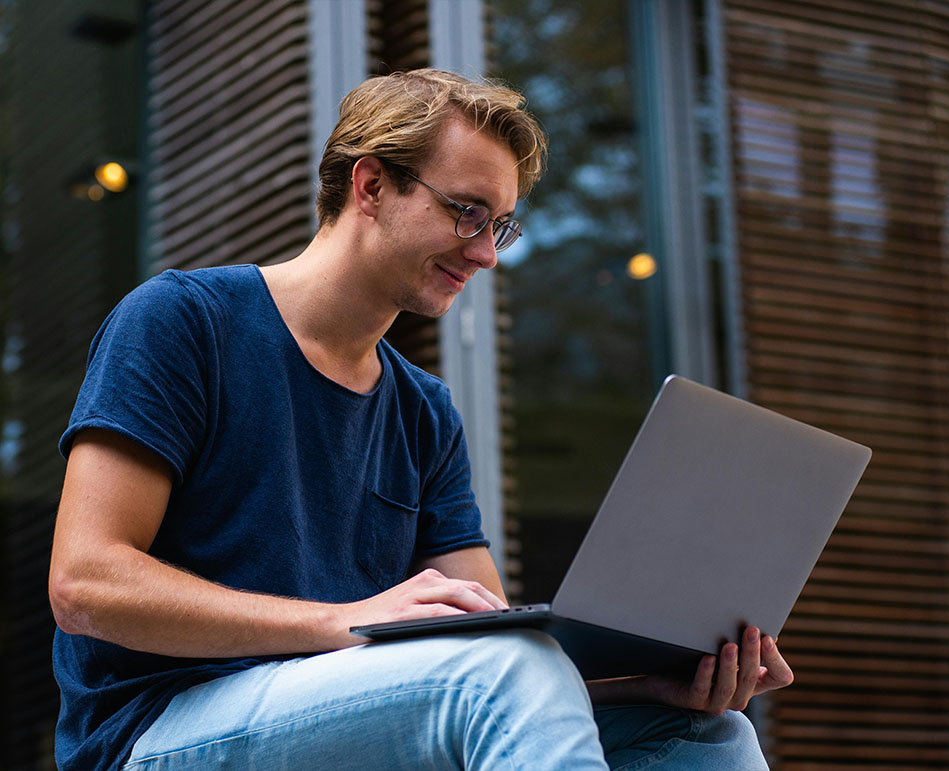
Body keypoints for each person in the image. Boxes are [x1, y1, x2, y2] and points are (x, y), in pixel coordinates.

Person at [49, 68, 792, 771]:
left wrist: (642, 682)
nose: (484, 253)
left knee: (706, 733)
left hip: (349, 716)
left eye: (500, 226)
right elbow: (84, 586)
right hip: (158, 729)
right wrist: (346, 620)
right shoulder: (183, 322)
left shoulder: (422, 409)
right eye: (466, 211)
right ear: (370, 184)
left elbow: (494, 650)